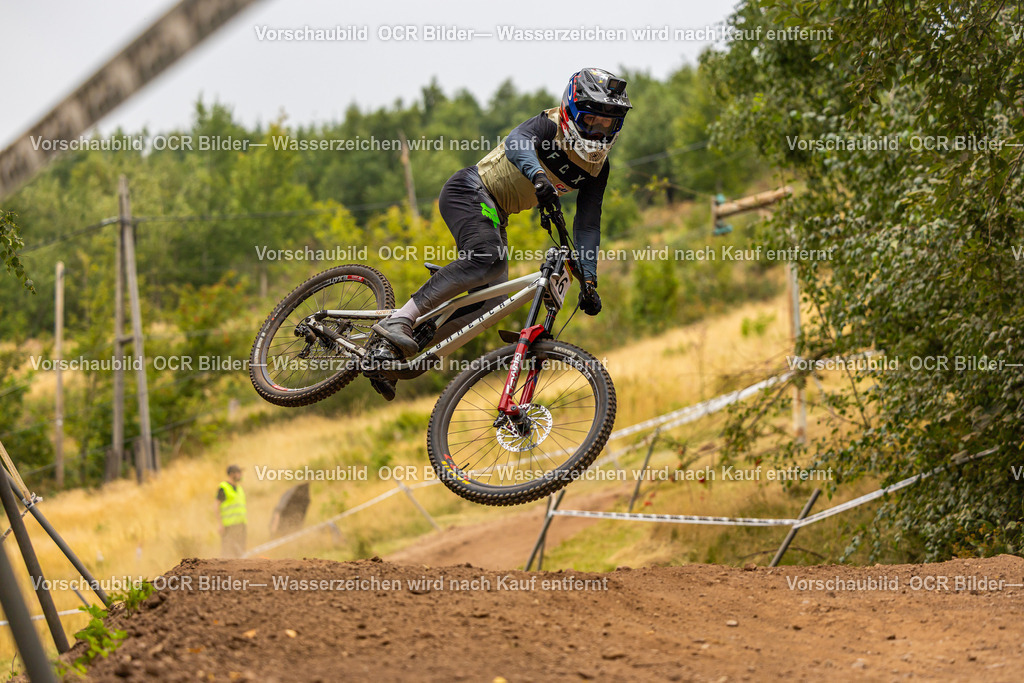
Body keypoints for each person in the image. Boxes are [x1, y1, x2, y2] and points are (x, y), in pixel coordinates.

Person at [370, 67, 632, 400]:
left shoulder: (598, 168)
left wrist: (590, 279)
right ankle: (400, 319)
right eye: (592, 120)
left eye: (607, 123)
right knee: (488, 259)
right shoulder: (547, 125)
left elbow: (589, 224)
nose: (598, 130)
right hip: (470, 189)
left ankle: (394, 356)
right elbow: (516, 143)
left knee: (492, 300)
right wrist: (538, 177)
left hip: (497, 214)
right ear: (571, 111)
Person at [215, 465, 247, 558]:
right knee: (228, 553)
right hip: (228, 527)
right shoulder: (224, 487)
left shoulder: (239, 489)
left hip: (241, 525)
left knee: (241, 553)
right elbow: (216, 506)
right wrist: (220, 524)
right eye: (239, 473)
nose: (241, 475)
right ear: (232, 474)